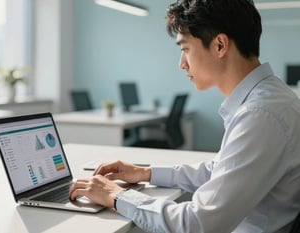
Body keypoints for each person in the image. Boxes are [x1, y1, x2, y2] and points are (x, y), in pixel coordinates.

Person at [69, 0, 300, 232]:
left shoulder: (261, 114)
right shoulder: (266, 100)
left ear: (220, 45)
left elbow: (196, 224)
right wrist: (145, 173)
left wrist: (116, 195)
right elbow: (220, 169)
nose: (181, 64)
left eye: (185, 49)